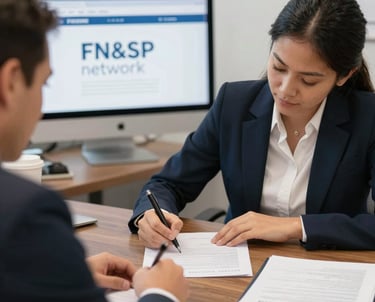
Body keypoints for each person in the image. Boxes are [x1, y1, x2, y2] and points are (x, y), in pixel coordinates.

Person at [129, 0, 375, 251]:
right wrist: (149, 216)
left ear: (345, 75)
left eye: (308, 80)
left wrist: (295, 227)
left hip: (333, 267)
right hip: (243, 263)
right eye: (279, 67)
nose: (285, 89)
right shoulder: (234, 104)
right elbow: (168, 184)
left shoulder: (368, 118)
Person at [0, 1, 189, 301]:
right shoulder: (27, 212)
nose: (41, 110)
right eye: (42, 85)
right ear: (10, 82)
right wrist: (161, 294)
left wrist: (61, 275)